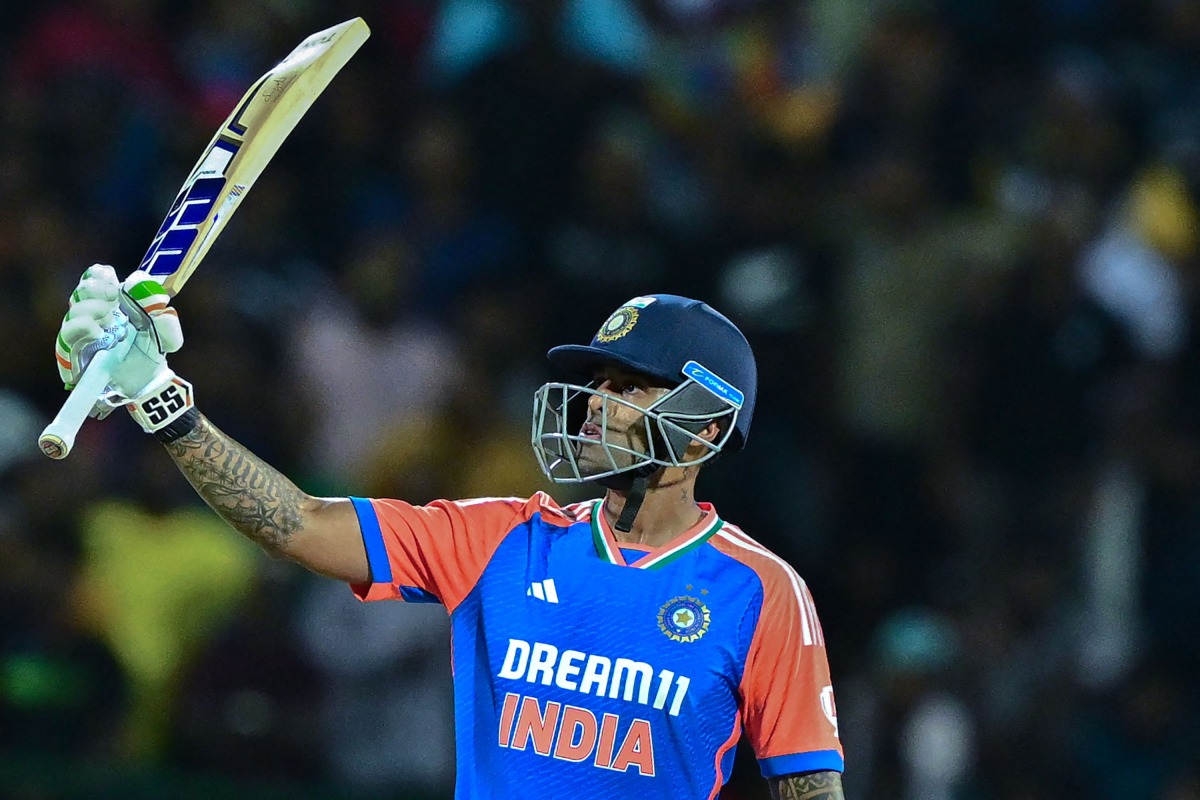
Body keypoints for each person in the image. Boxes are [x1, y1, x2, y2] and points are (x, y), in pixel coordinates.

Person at [55, 265, 845, 799]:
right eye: (599, 382)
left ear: (705, 427)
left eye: (632, 386)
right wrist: (162, 399)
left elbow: (809, 786)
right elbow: (299, 523)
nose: (596, 405)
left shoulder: (762, 593)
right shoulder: (505, 539)